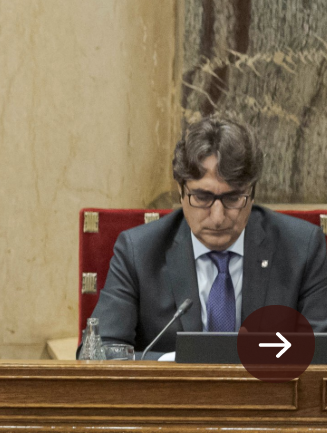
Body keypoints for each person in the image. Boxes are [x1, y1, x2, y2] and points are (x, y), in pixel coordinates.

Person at [94, 115, 327, 354]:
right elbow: (100, 352)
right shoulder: (138, 251)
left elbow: (320, 353)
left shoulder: (303, 248)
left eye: (233, 198)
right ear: (180, 192)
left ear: (253, 192)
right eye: (202, 198)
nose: (218, 217)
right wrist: (175, 365)